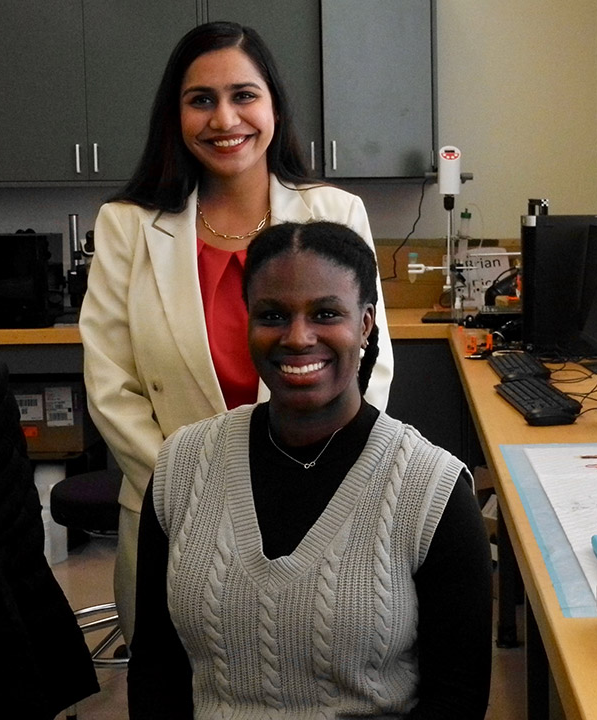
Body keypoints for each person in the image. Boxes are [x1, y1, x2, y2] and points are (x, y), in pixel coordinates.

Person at [78, 21, 394, 646]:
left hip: (315, 505)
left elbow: (369, 366)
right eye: (202, 100)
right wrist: (201, 493)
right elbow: (112, 388)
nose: (225, 119)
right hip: (174, 517)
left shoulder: (335, 214)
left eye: (244, 95)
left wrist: (309, 479)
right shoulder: (127, 227)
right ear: (177, 115)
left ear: (274, 104)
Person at [127, 221, 493, 718]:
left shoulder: (431, 489)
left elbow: (458, 697)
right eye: (273, 315)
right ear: (248, 322)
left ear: (365, 324)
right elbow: (155, 669)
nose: (298, 338)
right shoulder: (182, 466)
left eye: (325, 313)